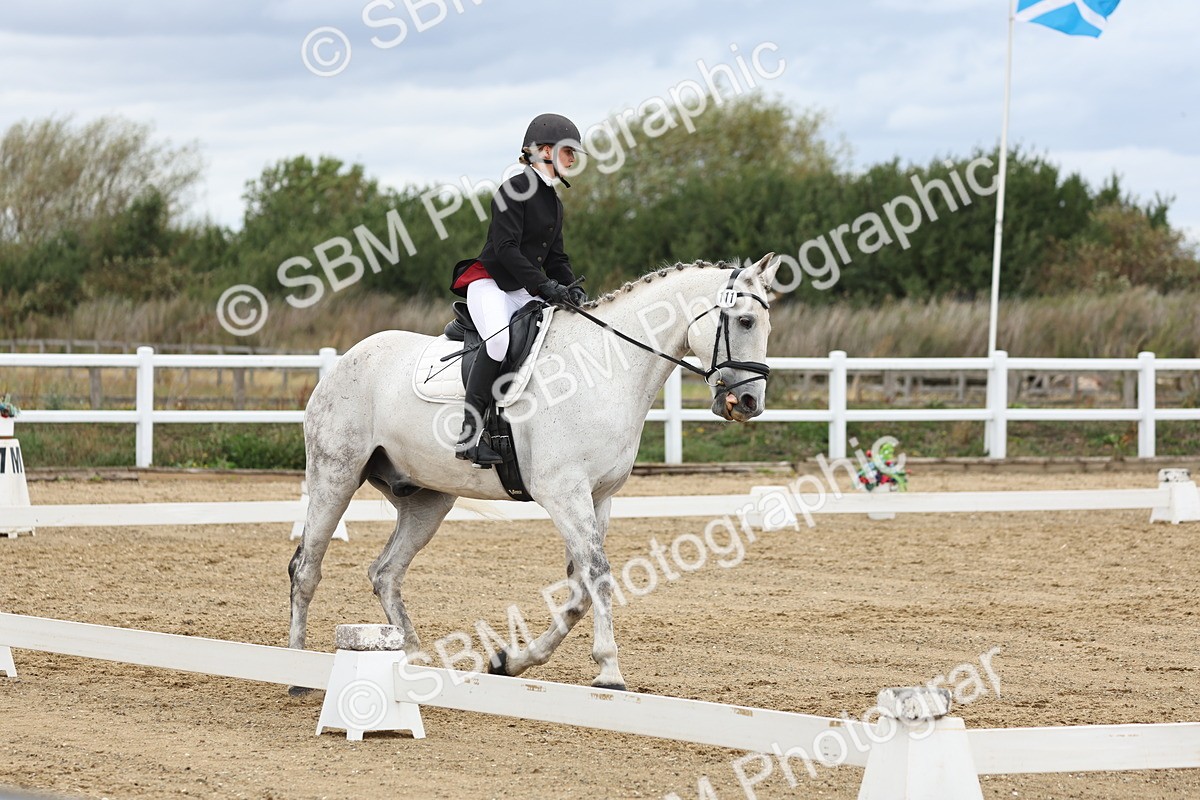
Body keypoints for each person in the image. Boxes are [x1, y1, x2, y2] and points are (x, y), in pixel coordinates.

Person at [449, 113, 588, 466]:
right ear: (545, 151)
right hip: (491, 282)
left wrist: (569, 288)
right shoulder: (513, 189)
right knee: (498, 342)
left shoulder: (553, 201)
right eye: (568, 152)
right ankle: (469, 435)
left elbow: (556, 257)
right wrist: (544, 286)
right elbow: (506, 248)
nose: (573, 160)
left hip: (523, 287)